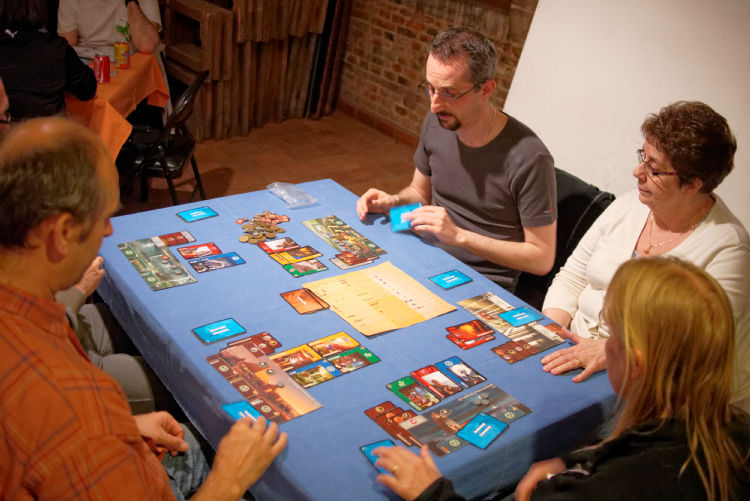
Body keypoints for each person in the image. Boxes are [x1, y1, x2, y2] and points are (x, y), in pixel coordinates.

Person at [0, 116, 287, 499]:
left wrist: (123, 425)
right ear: (62, 233)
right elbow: (70, 432)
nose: (109, 232)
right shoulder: (76, 413)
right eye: (104, 218)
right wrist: (229, 481)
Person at [373, 258, 750, 501]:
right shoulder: (735, 428)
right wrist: (575, 459)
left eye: (610, 334)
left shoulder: (613, 487)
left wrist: (431, 492)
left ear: (635, 364)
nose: (600, 344)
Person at [539, 101, 750, 412]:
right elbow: (572, 278)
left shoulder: (729, 249)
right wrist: (550, 332)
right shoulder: (629, 205)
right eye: (643, 158)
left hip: (653, 387)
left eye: (654, 168)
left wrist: (609, 350)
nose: (638, 172)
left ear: (692, 185)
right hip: (575, 349)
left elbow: (697, 347)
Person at [355, 26, 557, 292]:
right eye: (430, 89)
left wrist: (459, 236)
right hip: (425, 252)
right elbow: (420, 192)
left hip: (481, 280)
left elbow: (541, 259)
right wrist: (392, 202)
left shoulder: (530, 158)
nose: (434, 105)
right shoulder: (437, 121)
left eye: (450, 93)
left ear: (486, 89)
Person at [56, 256, 166, 415]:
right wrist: (78, 291)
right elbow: (44, 332)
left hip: (65, 322)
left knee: (134, 317)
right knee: (177, 380)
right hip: (70, 371)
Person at [0, 0, 96, 121]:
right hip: (48, 130)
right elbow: (87, 90)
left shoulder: (55, 47)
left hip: (8, 130)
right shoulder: (55, 48)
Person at [58, 0, 161, 54]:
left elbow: (146, 46)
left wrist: (131, 2)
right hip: (91, 64)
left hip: (133, 61)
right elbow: (68, 48)